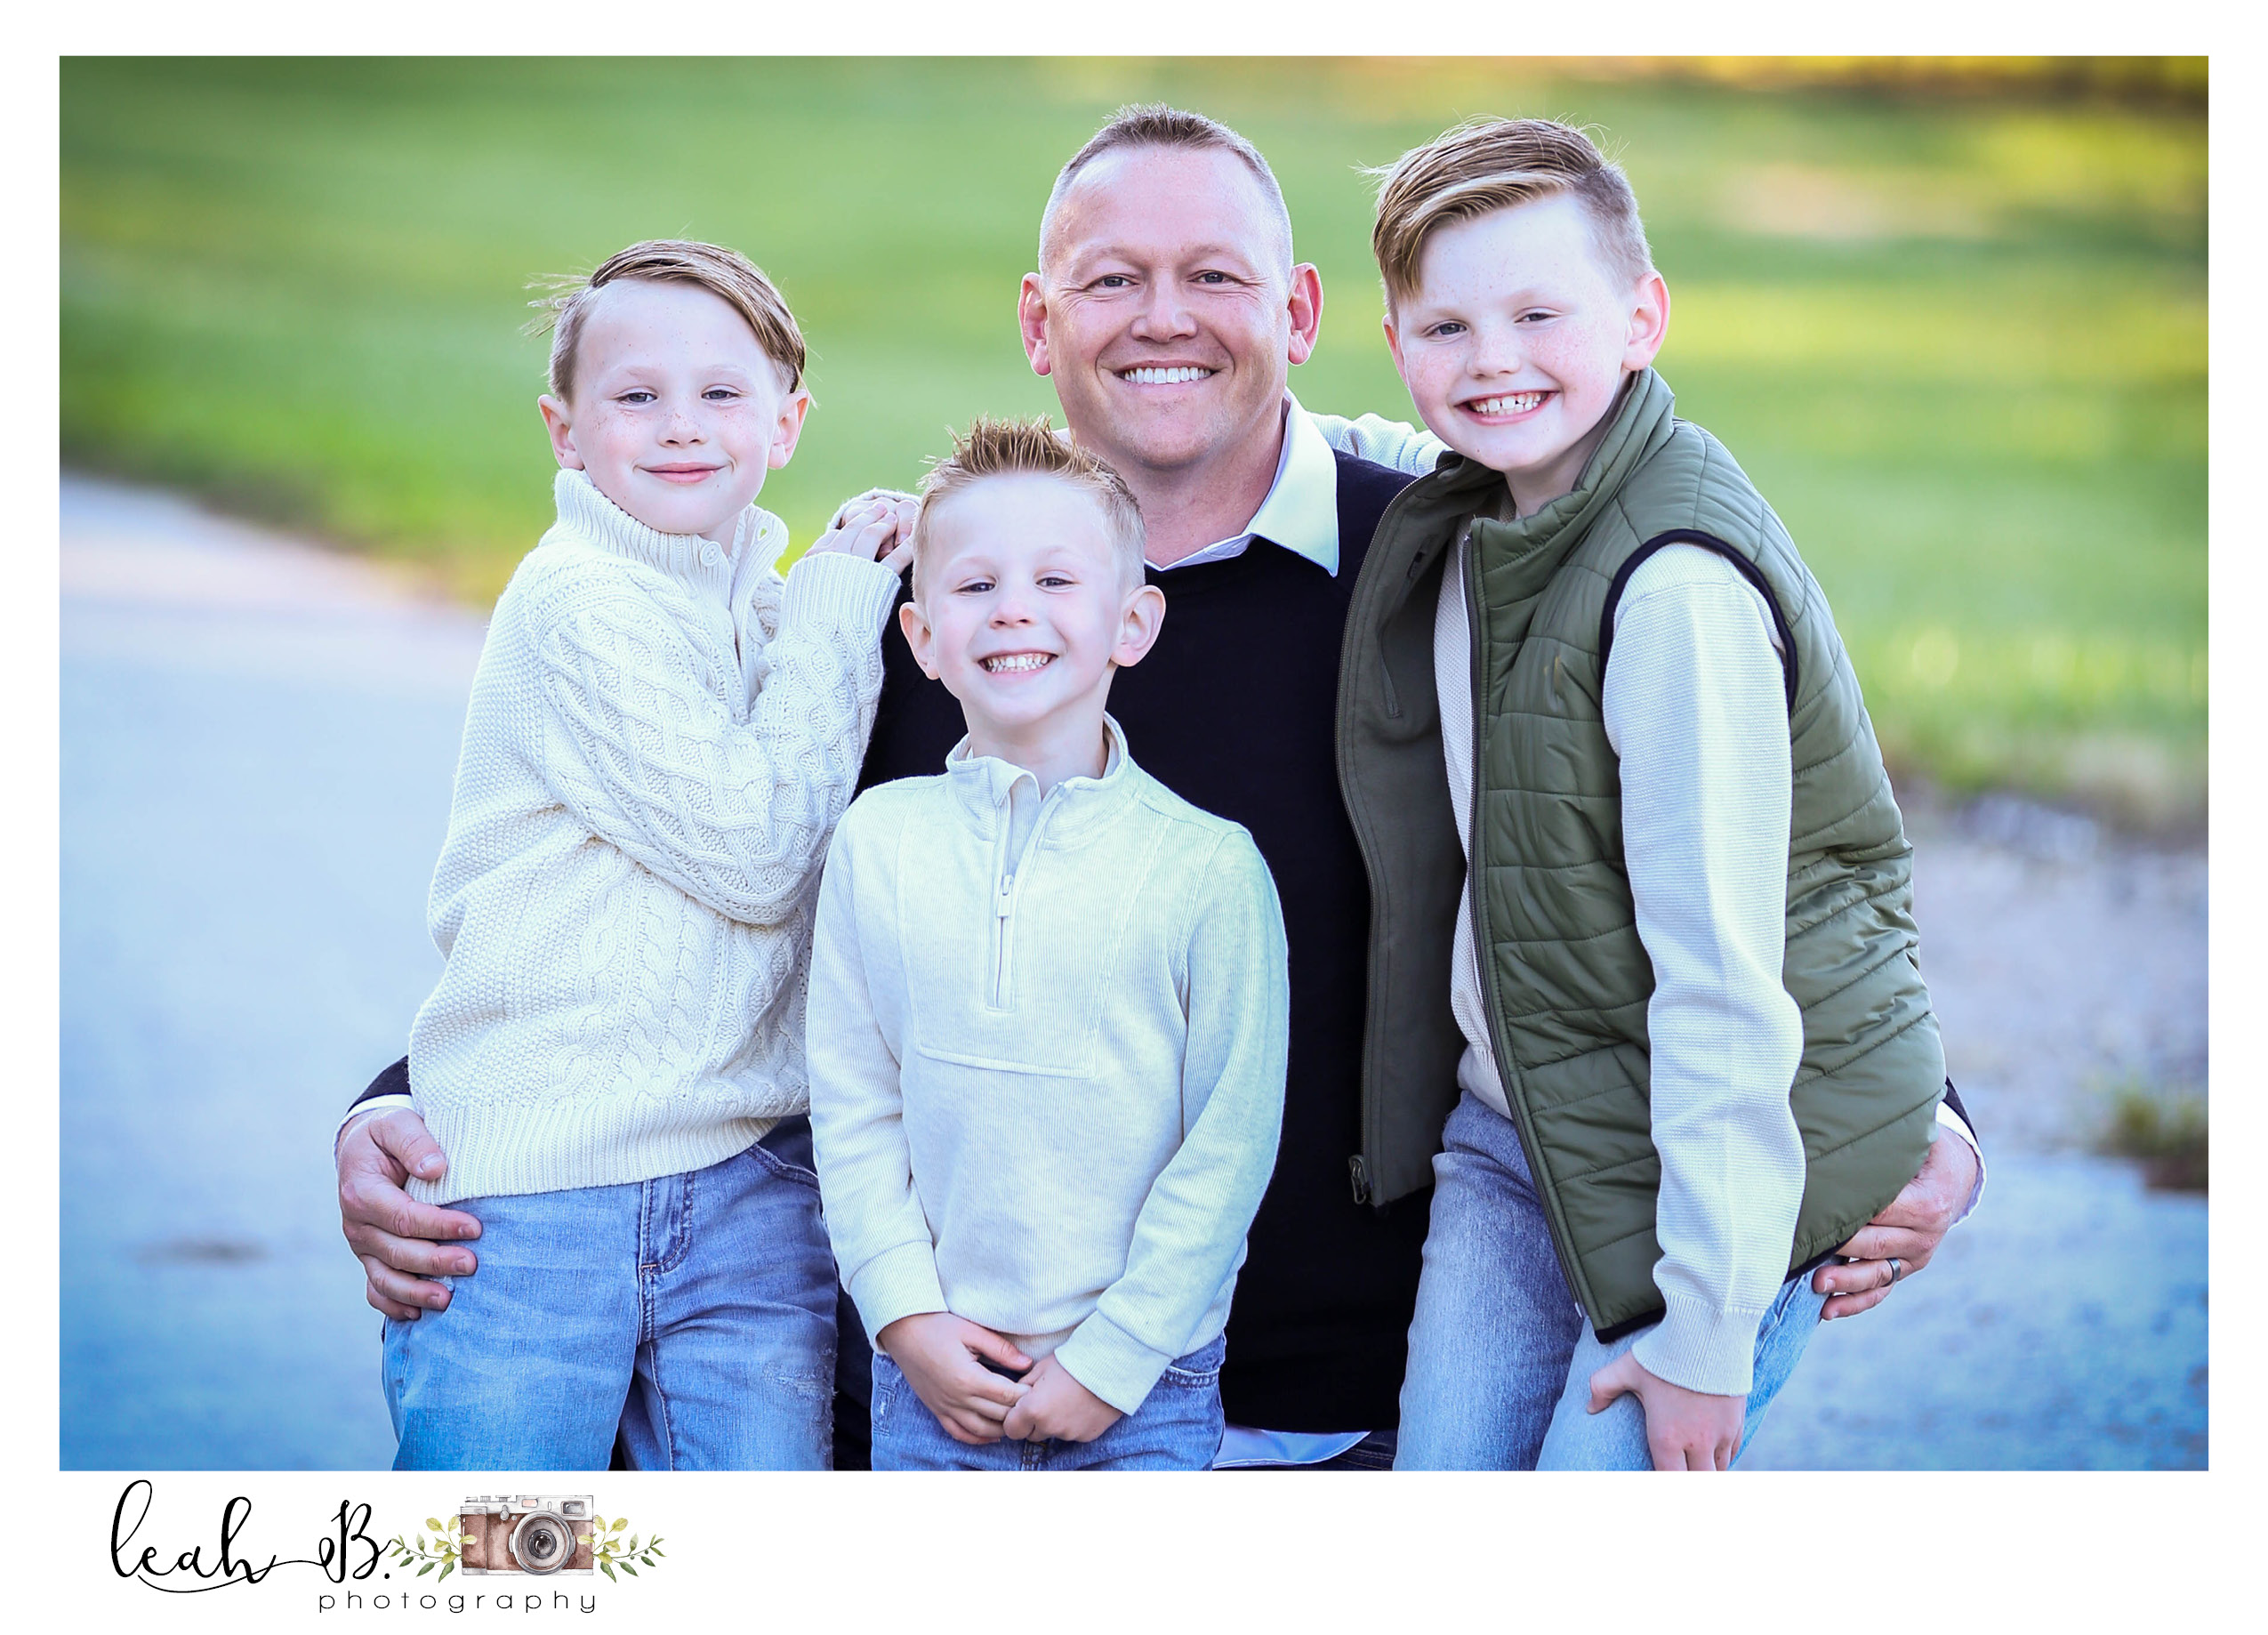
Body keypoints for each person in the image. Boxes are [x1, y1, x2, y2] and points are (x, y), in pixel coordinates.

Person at [336, 107, 1982, 1470]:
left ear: (1304, 313)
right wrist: (413, 1097)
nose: (1164, 317)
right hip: (974, 1384)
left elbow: (1709, 835)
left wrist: (1925, 1113)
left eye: (1214, 276)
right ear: (1038, 323)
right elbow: (687, 871)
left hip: (1354, 1392)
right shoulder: (934, 597)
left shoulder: (1445, 554)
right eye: (1111, 279)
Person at [1336, 117, 1980, 1470]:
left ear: (1643, 319)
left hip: (1715, 1176)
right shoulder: (1480, 511)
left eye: (1536, 314)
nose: (1492, 358)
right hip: (1512, 1139)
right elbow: (1298, 448)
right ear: (1395, 347)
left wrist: (1706, 1332)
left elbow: (1721, 983)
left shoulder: (1673, 593)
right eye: (1446, 326)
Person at [376, 239, 911, 1470]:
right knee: (505, 1549)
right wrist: (838, 604)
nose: (681, 424)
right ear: (564, 431)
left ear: (787, 422)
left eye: (721, 392)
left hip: (749, 1188)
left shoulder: (743, 603)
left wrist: (834, 589)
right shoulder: (580, 601)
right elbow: (760, 852)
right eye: (636, 395)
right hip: (539, 1197)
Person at [807, 417, 1289, 1470]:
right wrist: (903, 1315)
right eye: (976, 585)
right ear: (923, 637)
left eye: (1056, 580)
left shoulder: (1208, 870)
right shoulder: (877, 843)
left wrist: (1114, 1359)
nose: (1013, 608)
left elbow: (1228, 1145)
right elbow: (853, 1102)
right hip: (935, 1377)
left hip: (1140, 1388)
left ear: (1133, 622)